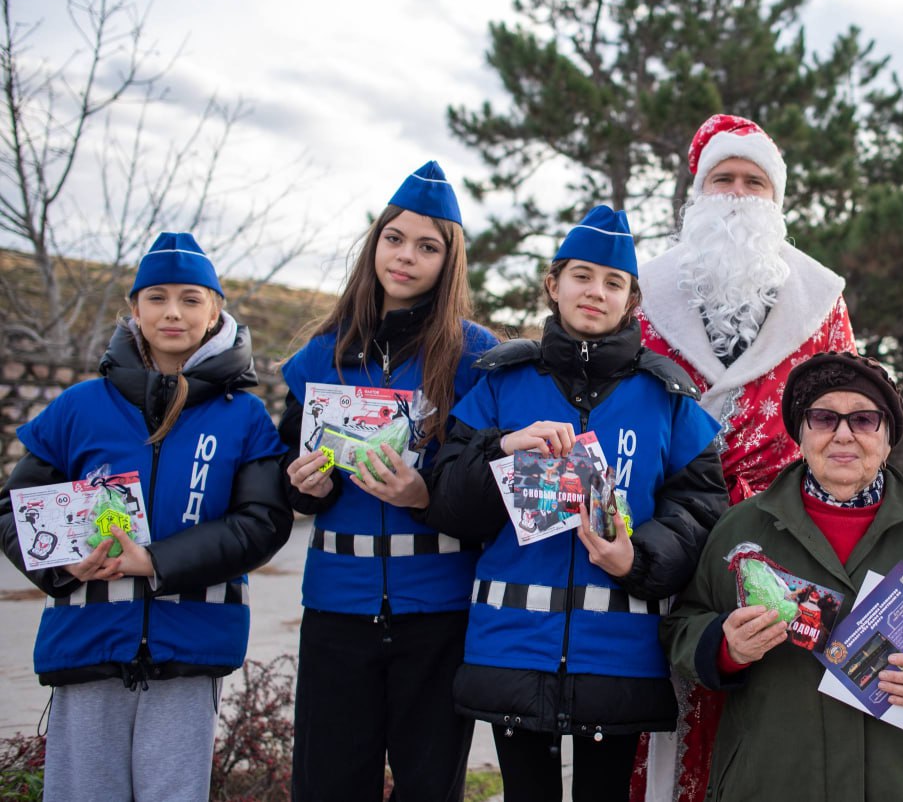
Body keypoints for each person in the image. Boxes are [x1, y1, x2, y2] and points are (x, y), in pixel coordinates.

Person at [427, 205, 728, 802]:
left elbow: (702, 512)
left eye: (613, 282)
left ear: (633, 300)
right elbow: (446, 500)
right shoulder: (502, 384)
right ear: (553, 283)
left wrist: (636, 559)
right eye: (582, 276)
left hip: (619, 655)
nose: (596, 292)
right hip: (510, 643)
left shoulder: (665, 398)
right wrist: (503, 449)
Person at [0, 232, 292, 802]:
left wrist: (154, 562)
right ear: (134, 309)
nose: (173, 312)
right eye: (156, 297)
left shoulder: (245, 416)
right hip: (86, 643)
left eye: (190, 298)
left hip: (190, 649)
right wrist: (63, 566)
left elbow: (262, 523)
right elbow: (13, 509)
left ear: (215, 311)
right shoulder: (79, 406)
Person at [661, 352, 903, 801]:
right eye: (824, 418)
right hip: (774, 782)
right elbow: (683, 624)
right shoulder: (741, 529)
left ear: (888, 438)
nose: (843, 434)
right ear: (801, 433)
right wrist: (725, 647)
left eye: (865, 420)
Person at [635, 112, 857, 802]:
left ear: (777, 200)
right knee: (659, 720)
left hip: (783, 542)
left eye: (753, 182)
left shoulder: (821, 301)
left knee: (770, 718)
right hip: (662, 538)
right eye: (723, 179)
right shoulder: (643, 292)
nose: (736, 194)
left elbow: (849, 415)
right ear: (697, 195)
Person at [280, 161, 498, 801]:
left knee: (430, 788)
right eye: (394, 238)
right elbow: (281, 479)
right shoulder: (320, 355)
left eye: (427, 246)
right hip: (336, 608)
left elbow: (488, 492)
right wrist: (302, 489)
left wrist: (424, 495)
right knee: (328, 784)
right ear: (375, 242)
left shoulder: (476, 359)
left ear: (449, 260)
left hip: (437, 612)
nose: (406, 256)